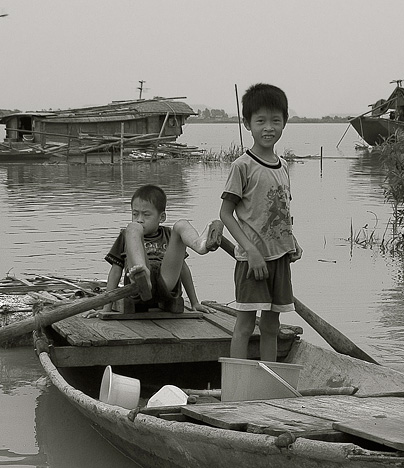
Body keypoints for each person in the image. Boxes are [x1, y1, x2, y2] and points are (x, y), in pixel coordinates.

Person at [219, 83, 302, 361]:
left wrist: (292, 240)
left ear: (284, 123)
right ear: (247, 124)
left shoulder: (283, 166)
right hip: (252, 260)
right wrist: (250, 251)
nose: (269, 127)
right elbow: (225, 214)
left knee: (271, 326)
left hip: (279, 258)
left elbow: (278, 210)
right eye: (261, 121)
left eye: (275, 120)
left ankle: (269, 381)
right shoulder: (242, 166)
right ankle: (235, 385)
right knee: (244, 325)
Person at [86, 184, 222, 317]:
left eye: (146, 215)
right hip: (138, 285)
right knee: (132, 228)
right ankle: (143, 274)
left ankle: (200, 245)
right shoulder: (127, 234)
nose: (139, 219)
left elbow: (182, 268)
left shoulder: (168, 235)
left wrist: (195, 302)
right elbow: (116, 271)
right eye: (135, 214)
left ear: (161, 218)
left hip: (166, 283)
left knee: (181, 224)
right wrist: (106, 307)